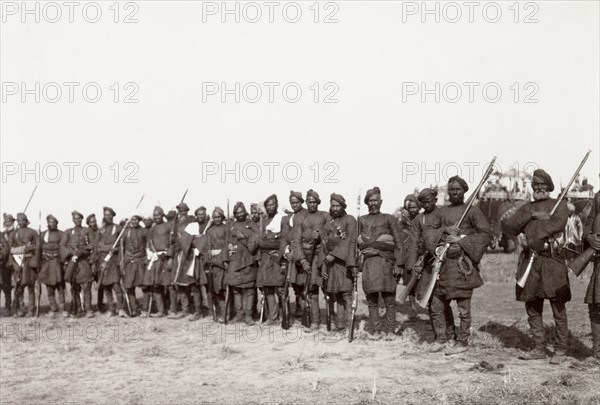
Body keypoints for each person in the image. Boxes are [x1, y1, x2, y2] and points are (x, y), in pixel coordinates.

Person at [503, 169, 570, 364]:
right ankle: (539, 347)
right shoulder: (527, 208)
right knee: (532, 305)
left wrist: (534, 235)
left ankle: (560, 350)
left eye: (543, 185)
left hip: (552, 261)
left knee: (558, 306)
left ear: (549, 187)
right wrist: (533, 215)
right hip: (530, 261)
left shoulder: (559, 205)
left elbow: (557, 224)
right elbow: (510, 227)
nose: (539, 188)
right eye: (536, 185)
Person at [423, 176, 492, 354]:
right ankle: (441, 338)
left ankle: (462, 341)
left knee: (463, 308)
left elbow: (486, 234)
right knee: (437, 305)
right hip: (442, 267)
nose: (454, 192)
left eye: (457, 189)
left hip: (462, 266)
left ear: (464, 191)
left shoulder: (472, 211)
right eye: (451, 189)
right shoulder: (441, 212)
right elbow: (428, 232)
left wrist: (461, 239)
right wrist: (444, 231)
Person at [405, 188, 456, 349]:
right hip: (426, 265)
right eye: (423, 202)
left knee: (444, 301)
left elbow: (451, 235)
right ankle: (440, 338)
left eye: (430, 201)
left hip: (443, 261)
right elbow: (413, 243)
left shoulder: (443, 214)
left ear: (435, 200)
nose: (427, 205)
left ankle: (451, 335)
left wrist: (441, 235)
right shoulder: (419, 220)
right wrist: (413, 265)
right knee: (431, 301)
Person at [358, 187, 403, 340]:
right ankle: (376, 331)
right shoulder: (362, 220)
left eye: (376, 200)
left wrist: (399, 264)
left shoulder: (389, 218)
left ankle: (391, 331)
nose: (373, 203)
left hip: (387, 263)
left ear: (381, 201)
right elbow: (357, 242)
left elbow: (398, 242)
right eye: (370, 201)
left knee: (389, 299)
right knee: (372, 299)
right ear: (366, 203)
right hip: (369, 264)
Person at [292, 190, 330, 332]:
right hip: (307, 257)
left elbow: (331, 235)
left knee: (327, 288)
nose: (312, 204)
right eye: (309, 202)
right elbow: (296, 241)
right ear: (306, 202)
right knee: (311, 291)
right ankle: (315, 321)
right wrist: (302, 260)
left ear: (318, 203)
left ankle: (331, 320)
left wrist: (322, 236)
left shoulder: (325, 216)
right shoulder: (300, 218)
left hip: (321, 256)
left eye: (314, 202)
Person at [323, 193, 357, 334]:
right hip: (332, 265)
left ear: (343, 206)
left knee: (347, 294)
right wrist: (324, 264)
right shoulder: (329, 223)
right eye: (333, 206)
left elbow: (349, 240)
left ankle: (350, 325)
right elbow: (324, 245)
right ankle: (340, 324)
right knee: (337, 295)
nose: (335, 208)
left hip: (345, 262)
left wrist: (334, 254)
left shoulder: (350, 220)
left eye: (338, 206)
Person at [225, 202, 258, 324]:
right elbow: (226, 244)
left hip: (248, 260)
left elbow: (254, 243)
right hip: (234, 261)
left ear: (245, 212)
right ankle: (239, 315)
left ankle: (248, 316)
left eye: (241, 212)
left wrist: (242, 237)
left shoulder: (252, 225)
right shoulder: (231, 227)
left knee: (249, 290)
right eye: (237, 212)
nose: (239, 214)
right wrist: (225, 259)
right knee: (236, 290)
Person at [256, 194, 287, 324]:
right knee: (268, 288)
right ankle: (273, 317)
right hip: (265, 259)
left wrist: (269, 243)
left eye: (272, 204)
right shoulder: (263, 221)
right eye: (267, 205)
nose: (270, 207)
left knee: (280, 289)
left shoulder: (282, 219)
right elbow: (260, 240)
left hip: (277, 258)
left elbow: (283, 240)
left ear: (277, 205)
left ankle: (285, 315)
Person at [60, 211, 95, 318]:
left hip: (83, 262)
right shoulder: (67, 232)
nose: (77, 220)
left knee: (86, 287)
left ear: (82, 219)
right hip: (72, 262)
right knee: (74, 288)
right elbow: (62, 245)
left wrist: (82, 252)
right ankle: (77, 309)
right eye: (75, 219)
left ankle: (88, 310)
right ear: (73, 220)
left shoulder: (87, 230)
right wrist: (71, 253)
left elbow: (93, 244)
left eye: (79, 218)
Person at [281, 191, 309, 319]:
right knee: (295, 282)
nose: (294, 205)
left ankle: (307, 309)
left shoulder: (307, 214)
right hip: (292, 254)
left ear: (302, 202)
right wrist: (286, 252)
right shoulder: (288, 218)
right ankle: (298, 306)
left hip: (304, 253)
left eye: (297, 202)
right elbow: (284, 238)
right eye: (292, 203)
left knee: (305, 282)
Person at [96, 207, 125, 317]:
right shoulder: (101, 230)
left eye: (110, 215)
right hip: (103, 262)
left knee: (117, 287)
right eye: (106, 214)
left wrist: (114, 249)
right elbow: (98, 246)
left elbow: (121, 246)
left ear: (113, 216)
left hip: (114, 262)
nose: (107, 216)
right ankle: (111, 310)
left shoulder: (118, 229)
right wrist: (108, 248)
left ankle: (121, 309)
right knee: (107, 288)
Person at [8, 213, 39, 317]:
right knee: (19, 288)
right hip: (18, 263)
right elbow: (10, 249)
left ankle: (31, 309)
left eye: (23, 220)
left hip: (30, 262)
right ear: (17, 221)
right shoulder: (13, 234)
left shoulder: (33, 232)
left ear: (26, 221)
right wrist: (23, 248)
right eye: (19, 220)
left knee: (31, 286)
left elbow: (38, 247)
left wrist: (35, 258)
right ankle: (20, 308)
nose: (21, 222)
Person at [143, 206, 170, 317]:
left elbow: (172, 242)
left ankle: (171, 309)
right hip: (155, 259)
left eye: (158, 215)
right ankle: (160, 310)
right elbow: (148, 244)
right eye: (155, 215)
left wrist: (168, 254)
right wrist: (150, 253)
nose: (156, 217)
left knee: (169, 285)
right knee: (155, 285)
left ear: (162, 215)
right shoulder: (152, 229)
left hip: (166, 258)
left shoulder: (168, 226)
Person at [583, 190, 600, 364]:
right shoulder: (598, 195)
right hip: (599, 261)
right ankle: (598, 353)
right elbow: (589, 221)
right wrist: (589, 237)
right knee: (596, 306)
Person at [205, 207, 229, 322]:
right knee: (216, 289)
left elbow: (228, 244)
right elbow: (207, 246)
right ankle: (220, 312)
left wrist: (222, 257)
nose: (217, 219)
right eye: (215, 217)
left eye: (219, 217)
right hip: (213, 264)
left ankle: (228, 313)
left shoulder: (227, 228)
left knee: (225, 288)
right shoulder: (210, 231)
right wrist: (209, 257)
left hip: (223, 262)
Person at [39, 215, 65, 317]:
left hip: (58, 264)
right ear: (47, 223)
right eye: (50, 222)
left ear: (57, 223)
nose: (52, 224)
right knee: (50, 289)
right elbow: (39, 249)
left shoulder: (61, 234)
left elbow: (63, 248)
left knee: (61, 288)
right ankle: (53, 309)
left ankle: (62, 309)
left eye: (54, 222)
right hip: (47, 265)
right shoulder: (43, 234)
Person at [121, 214, 147, 317]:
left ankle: (145, 309)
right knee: (129, 286)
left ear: (139, 220)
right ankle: (134, 309)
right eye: (132, 219)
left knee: (145, 286)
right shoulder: (126, 231)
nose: (134, 221)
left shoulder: (144, 231)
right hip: (129, 262)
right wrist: (122, 261)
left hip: (140, 261)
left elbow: (147, 246)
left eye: (136, 219)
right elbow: (122, 248)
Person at [0, 214, 16, 315]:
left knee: (8, 285)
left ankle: (10, 307)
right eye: (5, 222)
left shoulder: (16, 232)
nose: (7, 224)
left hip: (12, 262)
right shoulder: (2, 233)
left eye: (9, 222)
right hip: (3, 264)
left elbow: (6, 248)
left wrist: (3, 257)